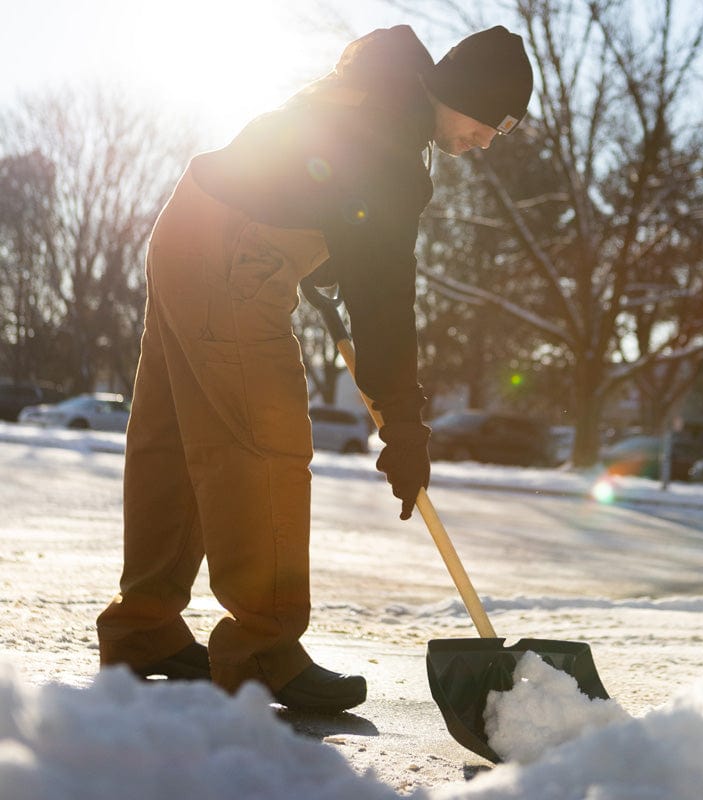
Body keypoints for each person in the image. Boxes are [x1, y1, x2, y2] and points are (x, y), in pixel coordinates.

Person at [96, 24, 533, 712]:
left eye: (500, 132)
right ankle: (263, 650)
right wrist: (405, 426)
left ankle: (143, 627)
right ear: (459, 93)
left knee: (174, 441)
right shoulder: (392, 152)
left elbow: (313, 182)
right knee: (266, 443)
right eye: (487, 122)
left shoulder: (379, 92)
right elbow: (386, 303)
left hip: (189, 225)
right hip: (233, 253)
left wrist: (321, 251)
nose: (485, 141)